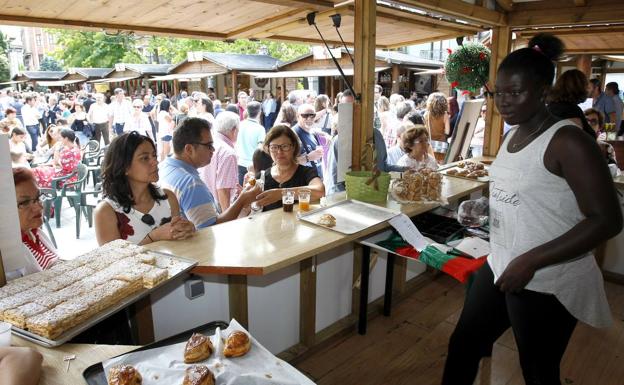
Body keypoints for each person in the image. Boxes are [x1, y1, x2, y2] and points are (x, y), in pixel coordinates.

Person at [442, 33, 622, 385]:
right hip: (502, 263)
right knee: (463, 344)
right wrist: (485, 205)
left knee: (538, 372)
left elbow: (608, 219)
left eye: (516, 92)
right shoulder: (513, 135)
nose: (504, 102)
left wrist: (531, 261)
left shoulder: (568, 141)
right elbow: (524, 192)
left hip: (546, 278)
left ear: (542, 92)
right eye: (500, 92)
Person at [94, 132, 195, 245]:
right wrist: (153, 237)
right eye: (145, 158)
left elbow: (179, 245)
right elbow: (112, 260)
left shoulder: (168, 198)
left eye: (154, 155)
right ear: (124, 167)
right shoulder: (106, 211)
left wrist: (187, 230)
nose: (155, 162)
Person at [159, 118, 259, 229]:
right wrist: (242, 200)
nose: (213, 149)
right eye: (209, 145)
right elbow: (211, 230)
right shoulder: (191, 184)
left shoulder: (164, 166)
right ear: (189, 149)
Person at [254, 125, 325, 211]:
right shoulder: (262, 178)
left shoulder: (305, 172)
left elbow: (320, 191)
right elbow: (251, 209)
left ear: (294, 147)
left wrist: (281, 193)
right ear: (268, 149)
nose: (279, 152)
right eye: (274, 147)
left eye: (285, 146)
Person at [12, 167, 60, 275]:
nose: (39, 207)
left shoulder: (34, 232)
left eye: (38, 197)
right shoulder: (10, 259)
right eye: (24, 202)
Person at [199, 111, 240, 211]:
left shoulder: (208, 144)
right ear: (234, 130)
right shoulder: (228, 153)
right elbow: (223, 190)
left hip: (203, 201)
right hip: (217, 206)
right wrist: (227, 219)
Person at [547, 69, 595, 138]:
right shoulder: (572, 111)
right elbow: (578, 139)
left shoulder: (551, 106)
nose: (588, 89)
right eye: (587, 86)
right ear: (580, 88)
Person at [235, 101, 265, 185]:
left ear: (247, 112)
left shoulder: (239, 125)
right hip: (253, 166)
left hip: (240, 162)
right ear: (260, 112)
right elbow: (260, 148)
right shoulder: (260, 129)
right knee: (252, 192)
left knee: (241, 191)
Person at [292, 104, 325, 179]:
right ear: (298, 116)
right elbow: (287, 163)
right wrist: (308, 158)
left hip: (315, 180)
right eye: (305, 116)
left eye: (312, 115)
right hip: (302, 183)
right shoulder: (292, 135)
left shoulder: (313, 133)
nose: (309, 118)